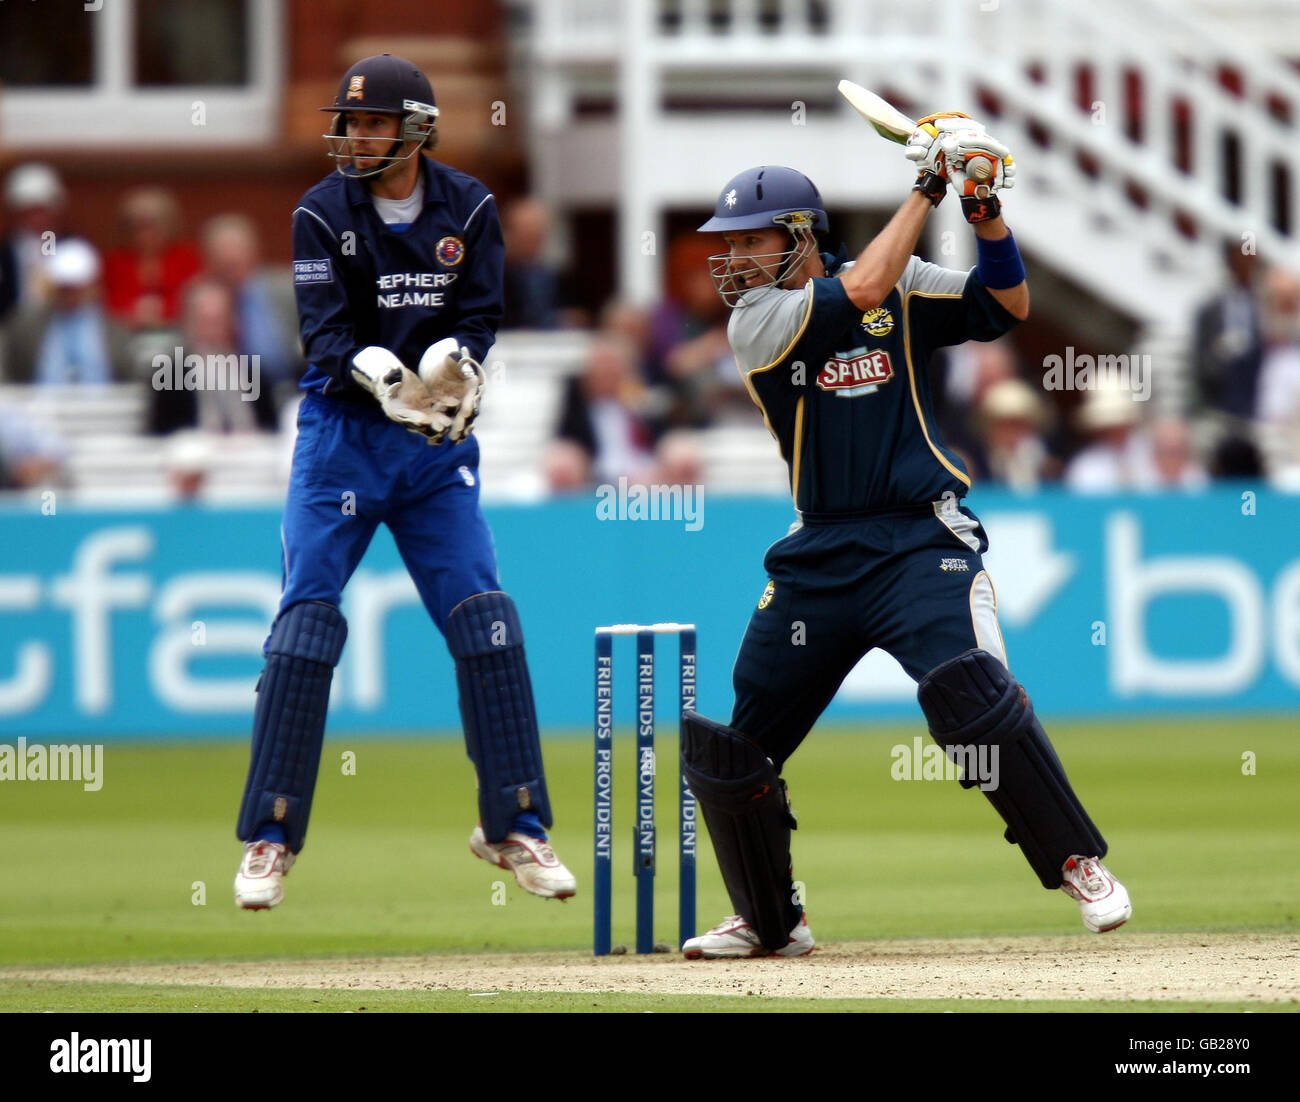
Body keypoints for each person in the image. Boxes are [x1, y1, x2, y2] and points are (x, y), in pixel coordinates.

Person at [678, 119, 1131, 960]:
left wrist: (985, 205)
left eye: (749, 241)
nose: (732, 260)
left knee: (971, 697)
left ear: (800, 236)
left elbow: (1004, 307)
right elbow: (856, 294)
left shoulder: (904, 282)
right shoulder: (760, 320)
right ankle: (773, 920)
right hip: (819, 553)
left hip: (921, 540)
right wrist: (928, 186)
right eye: (726, 244)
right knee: (736, 748)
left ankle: (1076, 862)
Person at [232, 54, 575, 911]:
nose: (353, 138)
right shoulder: (320, 211)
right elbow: (326, 335)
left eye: (372, 124)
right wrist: (388, 379)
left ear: (415, 129)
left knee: (486, 619)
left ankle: (516, 825)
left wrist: (457, 371)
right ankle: (271, 837)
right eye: (347, 123)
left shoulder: (472, 207)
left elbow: (481, 319)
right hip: (343, 440)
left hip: (433, 452)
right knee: (307, 621)